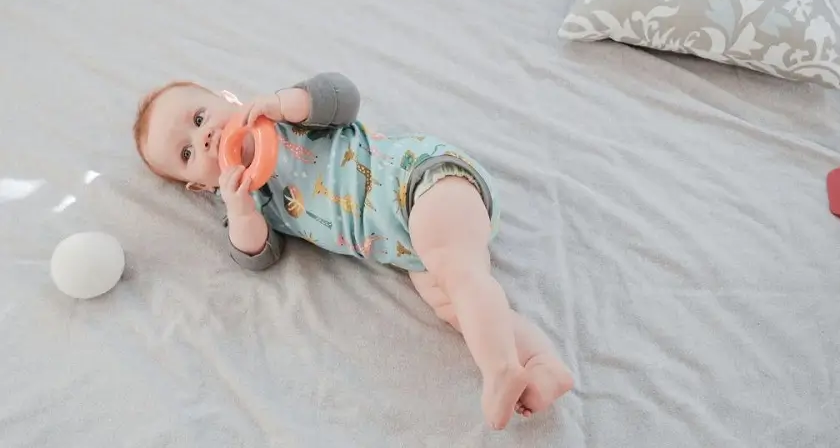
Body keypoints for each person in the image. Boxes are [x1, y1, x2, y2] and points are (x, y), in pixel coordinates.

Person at [133, 72, 573, 430]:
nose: (205, 138)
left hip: (422, 181)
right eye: (187, 152)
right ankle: (539, 363)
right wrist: (240, 207)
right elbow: (258, 256)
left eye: (199, 116)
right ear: (199, 187)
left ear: (229, 97)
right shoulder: (249, 201)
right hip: (406, 249)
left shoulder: (284, 117)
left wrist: (284, 102)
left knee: (459, 272)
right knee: (451, 303)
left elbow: (342, 96)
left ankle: (497, 367)